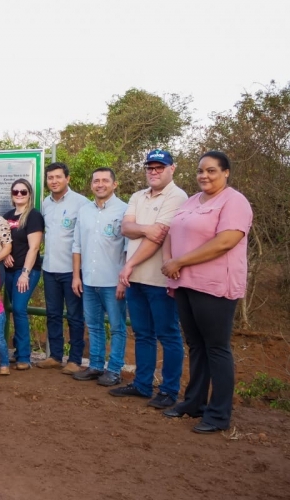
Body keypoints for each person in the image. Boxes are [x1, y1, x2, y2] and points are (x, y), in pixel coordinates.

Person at [161, 151, 252, 434]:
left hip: (214, 286)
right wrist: (169, 261)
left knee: (216, 348)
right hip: (185, 283)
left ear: (226, 173)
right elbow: (172, 234)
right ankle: (194, 402)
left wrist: (180, 261)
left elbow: (225, 242)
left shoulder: (234, 202)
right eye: (201, 171)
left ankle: (218, 413)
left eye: (212, 171)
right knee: (196, 346)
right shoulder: (191, 201)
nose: (204, 176)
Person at [111, 149, 188, 409]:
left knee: (168, 335)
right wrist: (146, 229)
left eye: (159, 167)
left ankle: (169, 390)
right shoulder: (137, 195)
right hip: (136, 280)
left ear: (171, 169)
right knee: (143, 334)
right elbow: (127, 228)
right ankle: (142, 384)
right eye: (150, 168)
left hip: (160, 279)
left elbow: (160, 238)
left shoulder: (178, 197)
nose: (154, 172)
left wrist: (129, 264)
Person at [71, 168, 128, 387]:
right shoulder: (85, 211)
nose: (100, 184)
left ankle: (114, 369)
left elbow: (127, 249)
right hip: (89, 280)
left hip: (113, 281)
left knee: (116, 326)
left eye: (105, 180)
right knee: (93, 325)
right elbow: (77, 245)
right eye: (96, 181)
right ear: (91, 184)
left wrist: (123, 279)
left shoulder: (124, 210)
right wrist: (77, 276)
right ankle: (95, 365)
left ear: (115, 184)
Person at [39, 162, 91, 373]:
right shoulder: (45, 203)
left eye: (58, 177)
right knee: (52, 314)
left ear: (67, 179)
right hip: (50, 268)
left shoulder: (82, 203)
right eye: (50, 178)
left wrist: (79, 271)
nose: (54, 181)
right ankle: (55, 356)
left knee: (75, 316)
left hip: (72, 271)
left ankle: (75, 359)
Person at [2, 178, 44, 370]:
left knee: (19, 309)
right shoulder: (7, 215)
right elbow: (3, 242)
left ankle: (24, 357)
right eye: (15, 191)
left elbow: (34, 247)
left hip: (26, 271)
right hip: (9, 270)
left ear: (29, 194)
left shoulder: (34, 216)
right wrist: (5, 255)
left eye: (23, 192)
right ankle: (18, 351)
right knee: (12, 309)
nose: (19, 194)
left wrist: (25, 274)